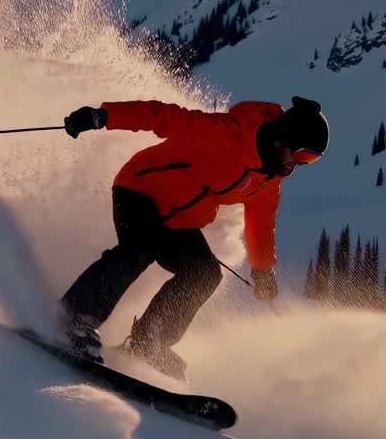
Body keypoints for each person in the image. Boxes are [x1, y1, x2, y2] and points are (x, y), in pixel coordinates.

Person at [58, 96, 330, 379]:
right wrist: (104, 116)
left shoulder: (268, 179)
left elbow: (261, 224)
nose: (300, 165)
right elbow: (164, 117)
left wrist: (262, 270)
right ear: (283, 138)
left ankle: (150, 340)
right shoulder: (227, 133)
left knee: (205, 272)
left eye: (310, 159)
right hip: (140, 189)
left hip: (178, 221)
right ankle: (77, 316)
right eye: (302, 156)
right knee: (139, 248)